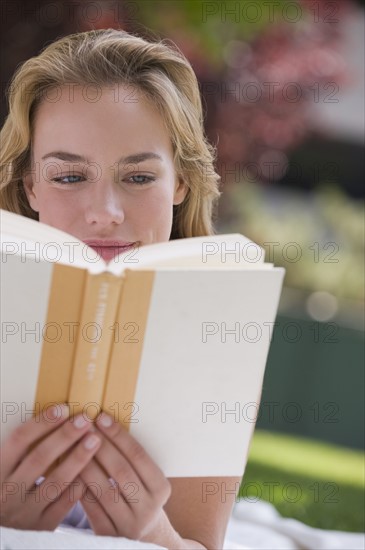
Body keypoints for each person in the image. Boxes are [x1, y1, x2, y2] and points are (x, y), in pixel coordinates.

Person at [0, 29, 241, 549]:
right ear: (31, 185)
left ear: (180, 182)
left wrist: (151, 534)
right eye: (68, 177)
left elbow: (199, 544)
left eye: (137, 178)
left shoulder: (218, 335)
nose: (106, 215)